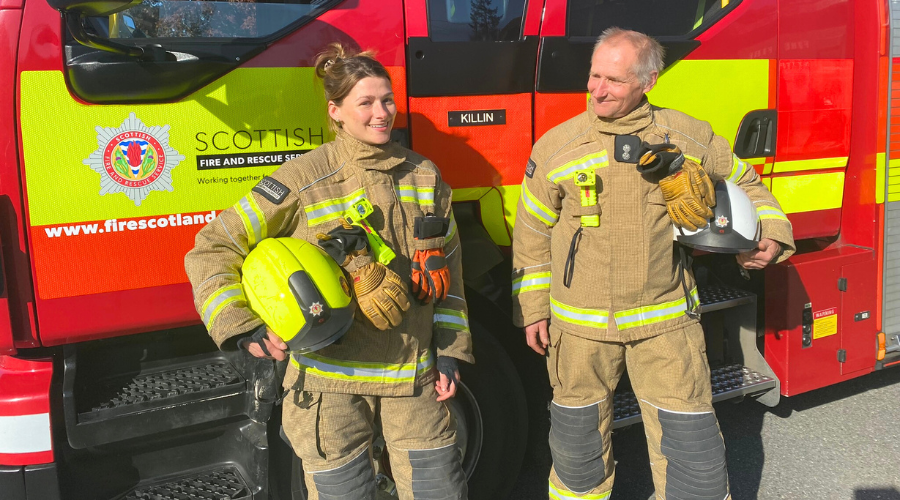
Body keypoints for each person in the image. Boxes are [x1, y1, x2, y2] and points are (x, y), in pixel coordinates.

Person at [511, 28, 794, 500]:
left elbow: (751, 185)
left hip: (666, 325)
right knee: (578, 454)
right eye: (594, 75)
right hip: (579, 330)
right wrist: (534, 309)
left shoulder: (686, 136)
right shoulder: (556, 148)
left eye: (614, 81)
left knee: (691, 452)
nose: (597, 90)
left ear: (648, 81)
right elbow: (533, 235)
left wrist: (769, 235)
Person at [185, 43, 472, 500]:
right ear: (336, 111)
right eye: (366, 103)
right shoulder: (304, 177)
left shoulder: (426, 176)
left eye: (387, 100)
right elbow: (212, 247)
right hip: (330, 386)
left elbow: (449, 275)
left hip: (416, 379)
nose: (382, 113)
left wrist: (453, 352)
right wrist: (242, 326)